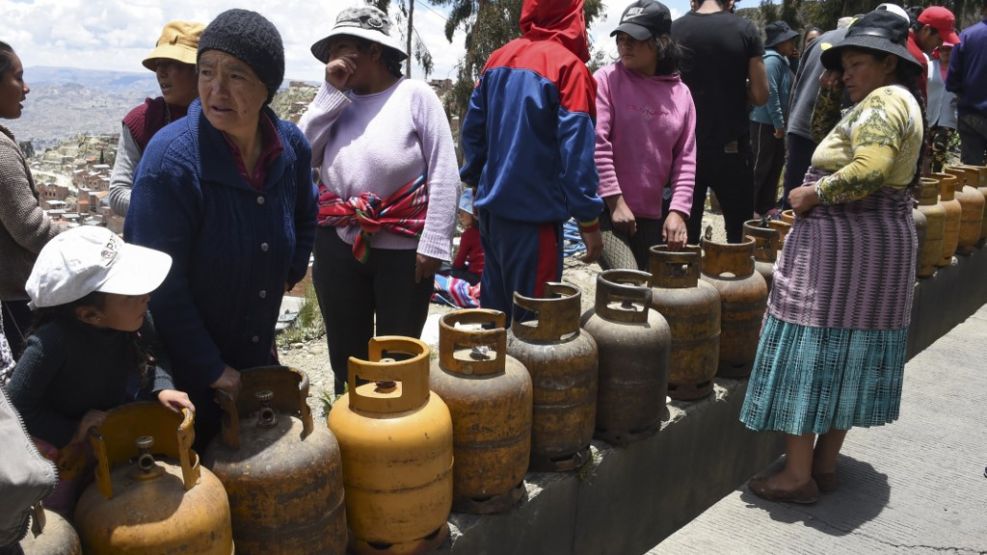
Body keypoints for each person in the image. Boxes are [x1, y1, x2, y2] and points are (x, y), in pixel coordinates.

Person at [740, 10, 925, 504]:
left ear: (888, 63)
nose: (846, 74)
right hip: (877, 245)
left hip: (842, 248)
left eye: (857, 63)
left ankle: (797, 475)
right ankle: (822, 465)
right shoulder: (899, 100)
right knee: (851, 354)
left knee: (810, 347)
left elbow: (872, 167)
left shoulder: (885, 102)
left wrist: (812, 194)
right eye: (844, 64)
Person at [125, 9, 317, 446]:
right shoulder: (171, 162)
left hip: (254, 351)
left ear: (267, 86)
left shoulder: (290, 147)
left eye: (236, 76)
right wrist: (211, 369)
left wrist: (288, 269)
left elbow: (307, 210)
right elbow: (160, 284)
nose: (216, 89)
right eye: (207, 72)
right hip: (185, 372)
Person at [298, 6, 458, 394]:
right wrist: (329, 95)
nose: (334, 58)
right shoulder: (336, 103)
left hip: (403, 251)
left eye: (343, 47)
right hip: (338, 244)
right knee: (346, 350)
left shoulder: (415, 97)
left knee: (398, 352)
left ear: (373, 51)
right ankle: (349, 420)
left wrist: (434, 241)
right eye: (331, 49)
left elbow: (444, 171)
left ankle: (398, 432)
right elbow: (299, 153)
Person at [6, 226, 193, 515]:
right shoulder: (51, 343)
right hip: (63, 452)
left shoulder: (136, 319)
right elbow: (15, 408)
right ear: (90, 315)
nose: (146, 296)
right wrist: (73, 430)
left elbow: (156, 352)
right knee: (70, 517)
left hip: (107, 435)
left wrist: (163, 386)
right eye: (130, 294)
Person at [460, 0, 603, 322]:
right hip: (534, 222)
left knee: (494, 319)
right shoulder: (569, 69)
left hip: (491, 216)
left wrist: (475, 186)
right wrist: (589, 222)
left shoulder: (497, 59)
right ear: (573, 16)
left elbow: (472, 133)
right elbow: (576, 154)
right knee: (534, 326)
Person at [593, 0, 695, 270]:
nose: (625, 45)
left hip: (655, 215)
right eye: (621, 38)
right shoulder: (606, 80)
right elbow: (597, 145)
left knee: (667, 294)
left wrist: (678, 212)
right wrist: (615, 202)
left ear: (661, 42)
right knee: (630, 283)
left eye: (635, 39)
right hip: (607, 212)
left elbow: (686, 159)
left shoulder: (681, 94)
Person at [672, 0, 768, 244]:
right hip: (731, 148)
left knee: (681, 236)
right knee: (739, 237)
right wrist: (735, 90)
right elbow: (760, 94)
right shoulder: (745, 30)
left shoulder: (674, 30)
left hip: (683, 148)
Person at [0, 42, 66, 360]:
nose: (25, 89)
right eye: (18, 77)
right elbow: (29, 227)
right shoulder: (0, 150)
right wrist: (76, 237)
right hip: (12, 301)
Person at [108, 20, 204, 218]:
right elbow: (118, 193)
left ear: (198, 69)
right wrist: (166, 206)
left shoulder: (222, 119)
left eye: (172, 63)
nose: (161, 72)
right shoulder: (141, 121)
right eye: (159, 64)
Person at [783, 24, 849, 209]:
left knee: (792, 198)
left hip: (799, 126)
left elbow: (797, 86)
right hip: (819, 132)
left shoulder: (821, 40)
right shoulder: (855, 44)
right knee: (802, 202)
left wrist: (790, 122)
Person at [750, 21, 798, 219]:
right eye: (789, 41)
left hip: (775, 124)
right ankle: (750, 206)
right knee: (760, 166)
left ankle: (766, 206)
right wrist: (779, 123)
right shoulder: (771, 61)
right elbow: (771, 94)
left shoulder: (782, 61)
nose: (792, 44)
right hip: (765, 123)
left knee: (775, 165)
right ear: (780, 42)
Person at [947, 0, 987, 165]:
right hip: (971, 112)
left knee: (971, 175)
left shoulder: (966, 35)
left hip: (970, 114)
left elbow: (953, 79)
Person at [907, 5, 961, 101]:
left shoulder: (900, 38)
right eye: (939, 39)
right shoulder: (918, 59)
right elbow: (918, 104)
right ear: (926, 30)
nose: (939, 45)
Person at [928, 42, 959, 172]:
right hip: (929, 114)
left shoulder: (959, 69)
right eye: (943, 50)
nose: (946, 53)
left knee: (939, 147)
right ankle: (924, 178)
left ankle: (936, 177)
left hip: (949, 116)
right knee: (926, 150)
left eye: (949, 50)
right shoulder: (929, 66)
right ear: (938, 51)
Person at [450, 188, 484, 285]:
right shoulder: (488, 231)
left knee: (451, 270)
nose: (459, 216)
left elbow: (459, 262)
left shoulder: (469, 234)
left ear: (472, 214)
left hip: (475, 277)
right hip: (487, 276)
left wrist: (454, 268)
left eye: (462, 212)